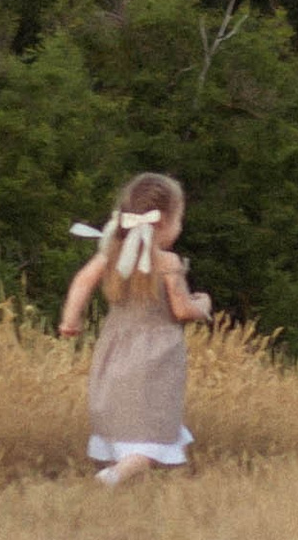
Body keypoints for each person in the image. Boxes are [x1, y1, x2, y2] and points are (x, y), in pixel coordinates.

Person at [59, 172, 211, 485]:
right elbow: (182, 309)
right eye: (179, 218)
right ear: (163, 221)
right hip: (155, 358)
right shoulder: (167, 262)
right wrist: (204, 306)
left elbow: (83, 280)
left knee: (131, 422)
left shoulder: (110, 255)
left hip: (115, 352)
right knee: (154, 435)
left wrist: (70, 319)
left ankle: (140, 483)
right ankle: (112, 477)